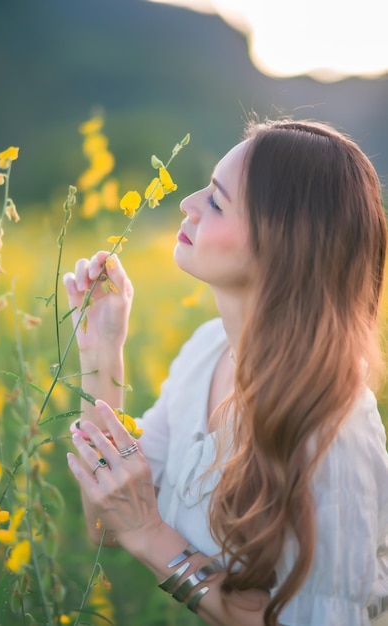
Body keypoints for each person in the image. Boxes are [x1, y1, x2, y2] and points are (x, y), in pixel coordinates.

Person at [63, 119, 388, 626]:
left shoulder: (331, 428)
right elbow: (105, 522)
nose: (187, 204)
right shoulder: (206, 350)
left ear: (282, 242)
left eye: (215, 201)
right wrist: (103, 353)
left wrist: (150, 531)